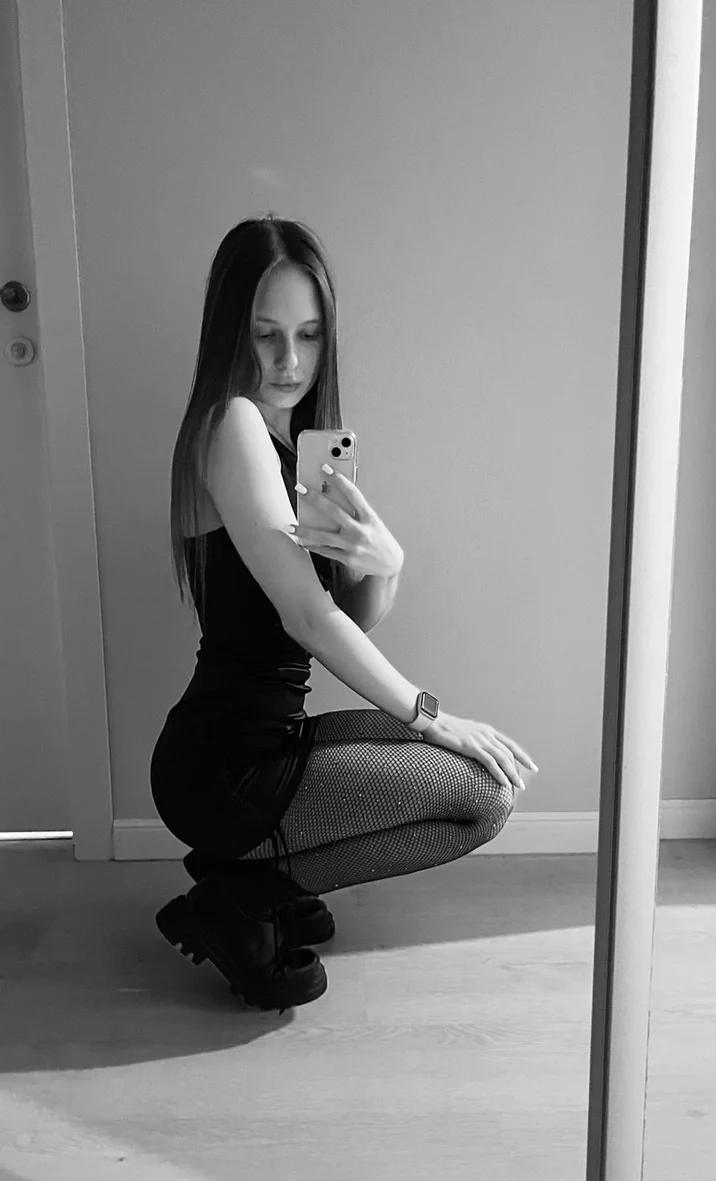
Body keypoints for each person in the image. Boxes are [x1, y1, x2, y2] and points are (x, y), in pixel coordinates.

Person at [151, 214, 538, 1014]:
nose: (289, 362)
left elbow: (343, 621)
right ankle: (239, 895)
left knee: (477, 779)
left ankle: (247, 873)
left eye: (309, 335)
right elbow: (308, 619)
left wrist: (387, 565)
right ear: (230, 332)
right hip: (226, 767)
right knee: (481, 796)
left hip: (269, 741)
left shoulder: (295, 443)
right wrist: (431, 713)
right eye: (265, 335)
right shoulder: (232, 425)